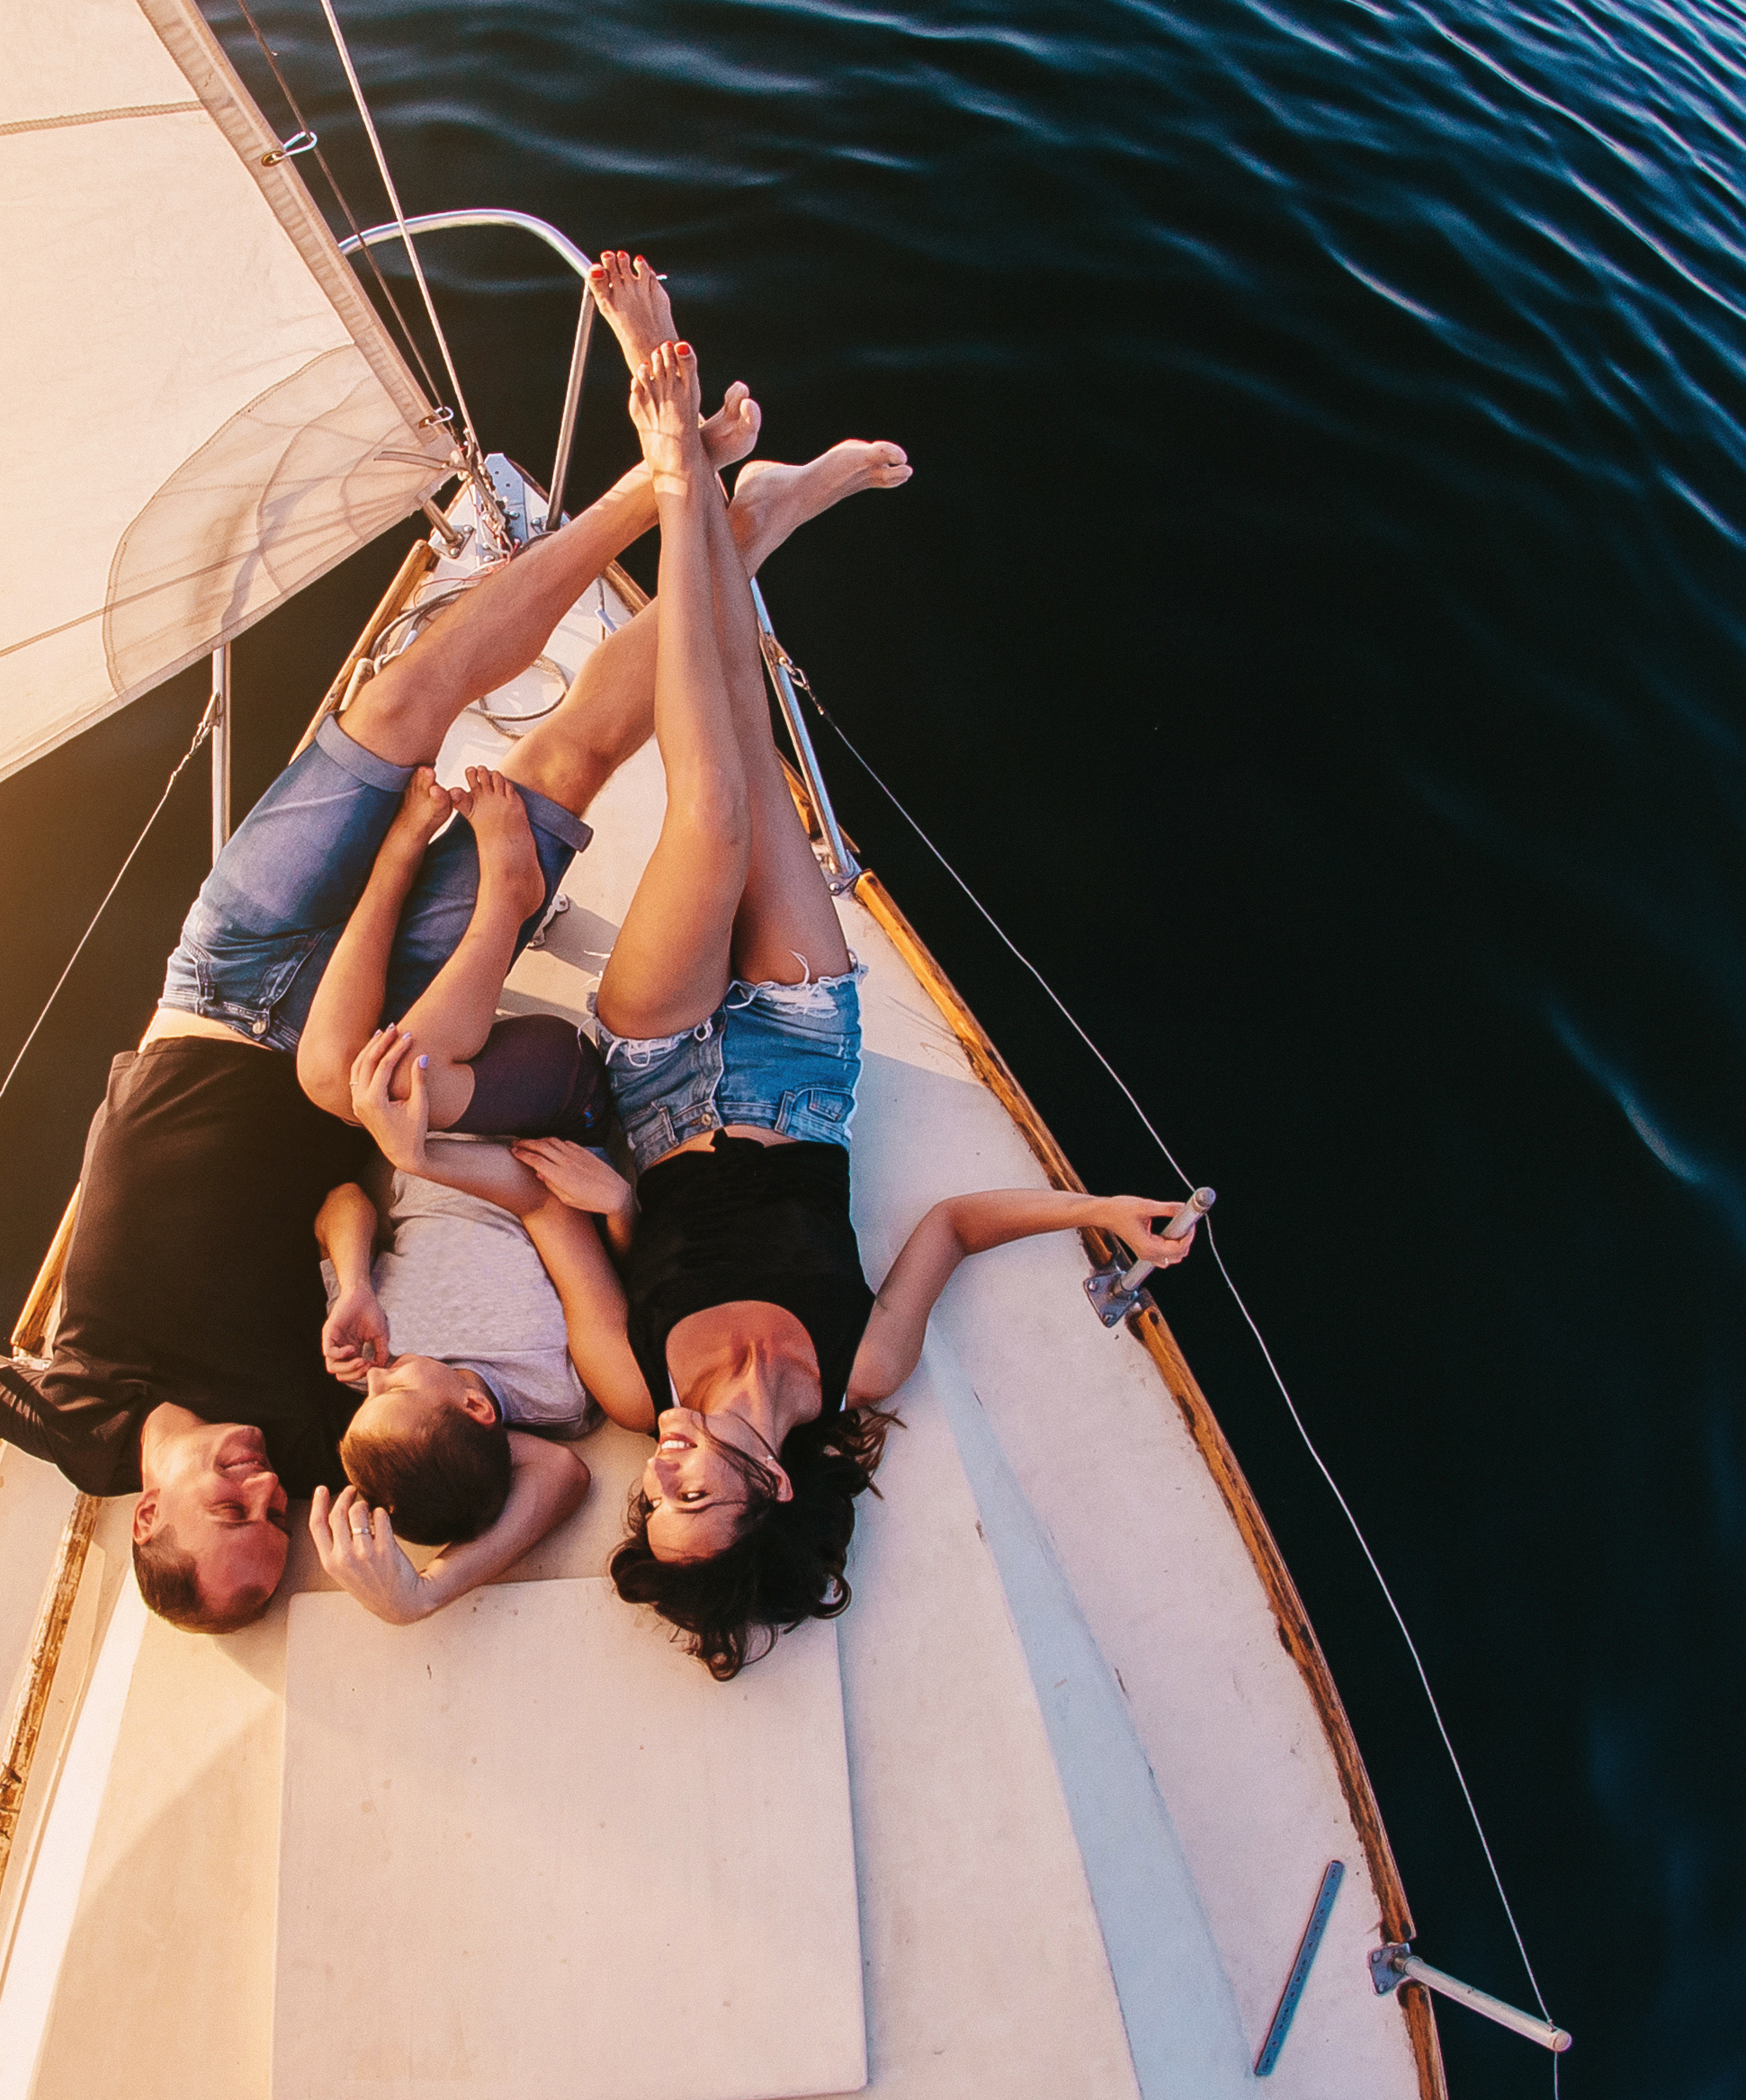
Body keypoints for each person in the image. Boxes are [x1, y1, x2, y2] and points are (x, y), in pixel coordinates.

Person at [0, 263, 915, 1637]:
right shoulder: (313, 1427)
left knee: (407, 697)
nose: (256, 1492)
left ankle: (652, 497)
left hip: (217, 987)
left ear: (150, 1518)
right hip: (364, 1030)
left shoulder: (78, 1422)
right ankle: (729, 518)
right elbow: (519, 1454)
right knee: (567, 757)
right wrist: (428, 1581)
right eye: (270, 1524)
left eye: (223, 1509)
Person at [407, 264, 1195, 1679]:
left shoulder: (628, 1383)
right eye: (691, 1490)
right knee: (743, 744)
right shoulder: (857, 1372)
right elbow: (949, 1225)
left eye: (652, 1491)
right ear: (771, 1489)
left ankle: (688, 474)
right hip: (795, 1051)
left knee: (707, 807)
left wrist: (522, 1170)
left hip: (655, 1074)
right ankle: (748, 502)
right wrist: (1105, 1209)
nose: (666, 1464)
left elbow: (536, 1202)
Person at [298, 771, 635, 1554]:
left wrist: (351, 1282)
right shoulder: (556, 1383)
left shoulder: (369, 1358)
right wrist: (418, 1153)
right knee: (399, 1077)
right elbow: (545, 1204)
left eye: (366, 1393)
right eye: (395, 1387)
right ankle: (503, 897)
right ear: (478, 1411)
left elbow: (342, 1201)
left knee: (330, 1074)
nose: (375, 1375)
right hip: (548, 1109)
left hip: (421, 1123)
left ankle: (400, 862)